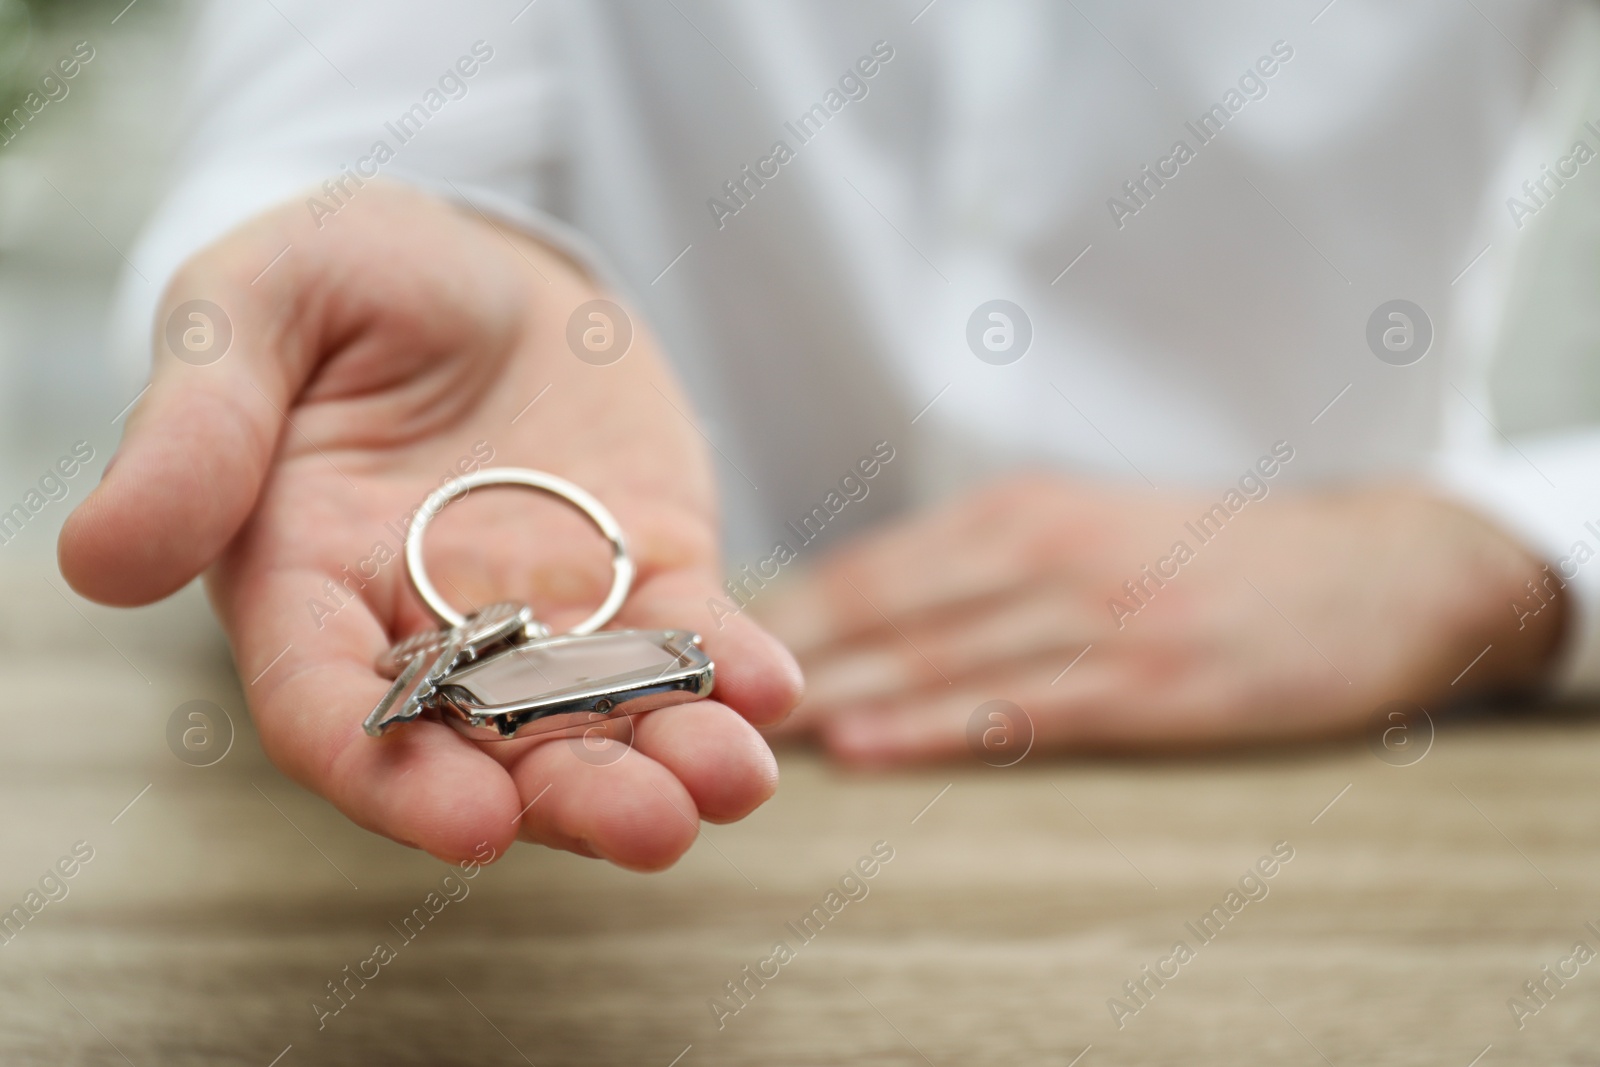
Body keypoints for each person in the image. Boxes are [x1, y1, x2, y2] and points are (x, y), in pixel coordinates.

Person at [58, 1, 1600, 870]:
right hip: (613, 864)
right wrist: (339, 253)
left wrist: (1508, 554)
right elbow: (335, 140)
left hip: (1362, 804)